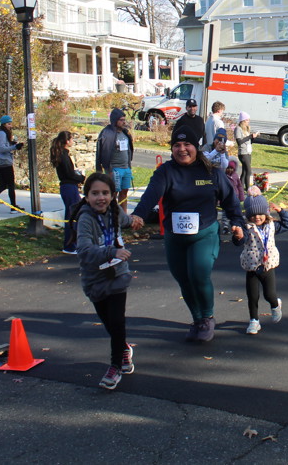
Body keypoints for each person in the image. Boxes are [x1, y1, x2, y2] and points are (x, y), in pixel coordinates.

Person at [130, 127, 245, 343]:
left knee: (198, 275)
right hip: (175, 237)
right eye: (177, 145)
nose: (182, 149)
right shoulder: (166, 171)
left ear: (196, 148)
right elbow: (151, 194)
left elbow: (230, 201)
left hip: (204, 234)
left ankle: (207, 317)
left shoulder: (211, 173)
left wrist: (238, 224)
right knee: (183, 279)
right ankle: (198, 319)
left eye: (187, 145)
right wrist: (139, 215)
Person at [73, 172, 140, 390]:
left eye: (105, 193)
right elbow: (84, 249)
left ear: (112, 195)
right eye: (95, 193)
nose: (100, 198)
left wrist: (135, 221)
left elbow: (126, 221)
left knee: (117, 321)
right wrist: (112, 251)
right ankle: (124, 349)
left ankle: (115, 367)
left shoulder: (115, 210)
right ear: (87, 196)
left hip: (118, 274)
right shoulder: (85, 219)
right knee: (110, 323)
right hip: (95, 279)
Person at [233, 187, 288, 335]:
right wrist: (238, 235)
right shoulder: (247, 228)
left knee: (269, 294)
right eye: (253, 215)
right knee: (252, 296)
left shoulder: (272, 226)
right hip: (251, 265)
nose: (257, 217)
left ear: (266, 214)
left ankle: (275, 305)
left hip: (268, 265)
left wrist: (281, 211)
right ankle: (254, 321)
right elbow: (240, 241)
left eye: (260, 214)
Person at [96, 108, 135, 213]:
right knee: (113, 193)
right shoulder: (107, 133)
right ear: (115, 120)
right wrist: (107, 170)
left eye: (124, 120)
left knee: (124, 192)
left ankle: (123, 215)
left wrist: (129, 166)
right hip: (114, 169)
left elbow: (129, 150)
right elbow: (102, 152)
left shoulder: (125, 133)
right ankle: (111, 215)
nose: (124, 122)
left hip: (126, 168)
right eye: (121, 120)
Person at [51, 131, 84, 254]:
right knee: (72, 216)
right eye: (71, 139)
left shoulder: (63, 154)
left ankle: (75, 242)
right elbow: (69, 174)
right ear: (67, 141)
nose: (73, 141)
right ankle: (70, 246)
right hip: (69, 187)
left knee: (75, 214)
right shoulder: (63, 156)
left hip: (69, 186)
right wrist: (81, 177)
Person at [234, 112, 258, 191]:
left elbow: (249, 142)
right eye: (247, 120)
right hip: (243, 153)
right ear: (243, 121)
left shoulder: (246, 129)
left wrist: (253, 138)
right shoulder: (238, 129)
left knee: (244, 171)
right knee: (248, 171)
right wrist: (250, 136)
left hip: (248, 151)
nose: (248, 121)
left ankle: (240, 188)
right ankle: (248, 189)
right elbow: (239, 142)